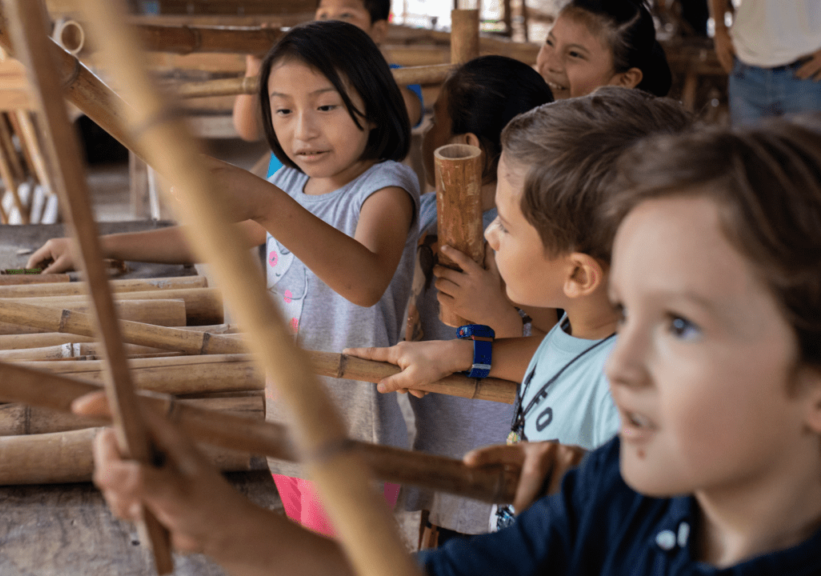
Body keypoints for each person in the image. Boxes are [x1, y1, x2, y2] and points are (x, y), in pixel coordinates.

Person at [77, 115, 821, 576]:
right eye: (630, 314)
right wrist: (214, 523)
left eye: (681, 327)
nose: (622, 365)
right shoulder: (619, 493)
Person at [28, 20, 419, 535]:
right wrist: (93, 245)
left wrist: (264, 200)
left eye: (326, 106)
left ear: (372, 101)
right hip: (290, 416)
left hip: (357, 430)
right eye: (283, 110)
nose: (303, 129)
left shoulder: (384, 189)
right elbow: (208, 236)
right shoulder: (293, 184)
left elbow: (364, 282)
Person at [351, 87, 692, 529]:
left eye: (505, 227)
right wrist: (458, 355)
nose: (490, 236)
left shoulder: (628, 396)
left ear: (579, 276)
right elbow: (556, 357)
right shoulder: (588, 327)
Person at [404, 54, 553, 546]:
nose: (425, 134)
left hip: (502, 472)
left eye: (433, 122)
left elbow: (561, 353)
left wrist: (498, 316)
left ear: (464, 146)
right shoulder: (428, 212)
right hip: (445, 451)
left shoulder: (530, 238)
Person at [232, 0, 423, 157]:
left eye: (346, 15)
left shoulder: (398, 77)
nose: (329, 23)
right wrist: (256, 67)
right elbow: (249, 131)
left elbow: (404, 116)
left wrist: (370, 66)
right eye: (323, 15)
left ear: (378, 31)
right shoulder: (295, 74)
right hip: (288, 191)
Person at [710, 0, 821, 126]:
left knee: (805, 146)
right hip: (746, 71)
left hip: (807, 75)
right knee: (748, 146)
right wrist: (719, 28)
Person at [536, 0, 672, 100]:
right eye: (549, 43)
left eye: (574, 54)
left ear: (624, 80)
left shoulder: (610, 137)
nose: (549, 65)